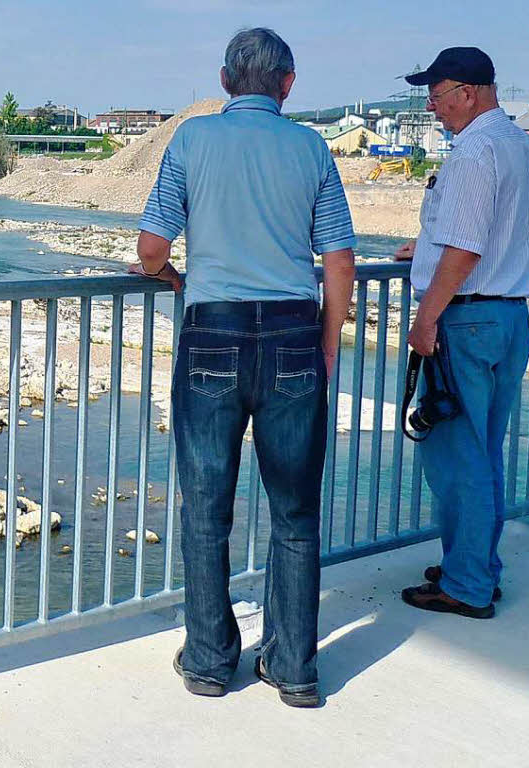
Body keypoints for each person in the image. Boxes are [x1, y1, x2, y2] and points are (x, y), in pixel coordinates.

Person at [131, 27, 356, 706]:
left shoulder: (192, 141)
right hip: (291, 332)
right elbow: (339, 260)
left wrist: (174, 278)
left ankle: (207, 660)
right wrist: (326, 340)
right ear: (288, 84)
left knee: (205, 505)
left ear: (226, 81)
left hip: (213, 333)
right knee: (295, 511)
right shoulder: (312, 146)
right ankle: (292, 668)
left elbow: (148, 248)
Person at [394, 47, 529, 618]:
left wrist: (425, 317)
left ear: (469, 91)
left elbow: (466, 247)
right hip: (509, 316)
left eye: (436, 95)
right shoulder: (522, 147)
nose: (432, 107)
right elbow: (485, 234)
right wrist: (425, 252)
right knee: (484, 453)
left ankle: (465, 586)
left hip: (467, 317)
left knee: (457, 457)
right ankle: (477, 564)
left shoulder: (473, 151)